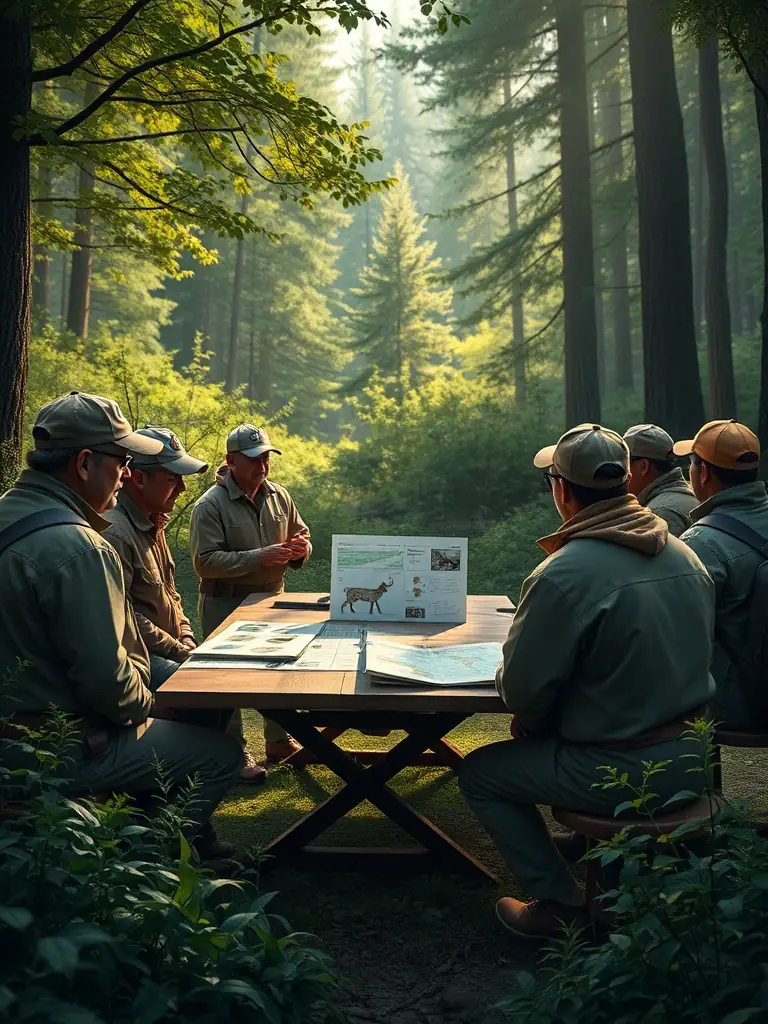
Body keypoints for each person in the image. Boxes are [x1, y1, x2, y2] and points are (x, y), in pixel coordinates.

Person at [458, 423, 714, 939]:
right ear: (627, 480)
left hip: (623, 768)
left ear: (561, 489)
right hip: (695, 758)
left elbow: (522, 692)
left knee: (481, 774)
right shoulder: (685, 555)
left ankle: (558, 903)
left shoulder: (562, 573)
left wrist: (533, 710)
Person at [0, 393, 241, 858]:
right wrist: (152, 709)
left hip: (23, 730)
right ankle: (143, 869)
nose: (127, 474)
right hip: (49, 748)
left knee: (191, 697)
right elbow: (109, 684)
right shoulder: (82, 548)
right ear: (84, 463)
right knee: (219, 755)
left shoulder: (15, 517)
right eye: (122, 461)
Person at [103, 426, 266, 784]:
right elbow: (125, 617)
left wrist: (188, 637)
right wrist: (180, 650)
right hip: (138, 656)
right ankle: (184, 782)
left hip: (166, 648)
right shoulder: (115, 532)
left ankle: (193, 776)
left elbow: (171, 595)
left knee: (221, 685)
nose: (182, 488)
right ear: (139, 479)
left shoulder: (152, 521)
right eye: (172, 478)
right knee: (210, 690)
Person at [189, 424, 312, 762]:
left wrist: (300, 549)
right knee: (225, 678)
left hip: (272, 598)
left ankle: (279, 741)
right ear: (231, 461)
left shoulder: (279, 495)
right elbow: (205, 563)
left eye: (266, 458)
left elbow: (302, 533)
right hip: (224, 601)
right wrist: (260, 557)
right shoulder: (209, 505)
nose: (262, 465)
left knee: (278, 669)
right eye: (254, 459)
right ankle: (233, 753)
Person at [675, 419, 768, 729]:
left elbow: (680, 634)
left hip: (743, 704)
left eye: (691, 464)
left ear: (703, 472)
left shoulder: (699, 543)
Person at [623, 423, 697, 536]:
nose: (623, 473)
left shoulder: (658, 514)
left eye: (625, 465)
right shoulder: (689, 493)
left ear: (643, 466)